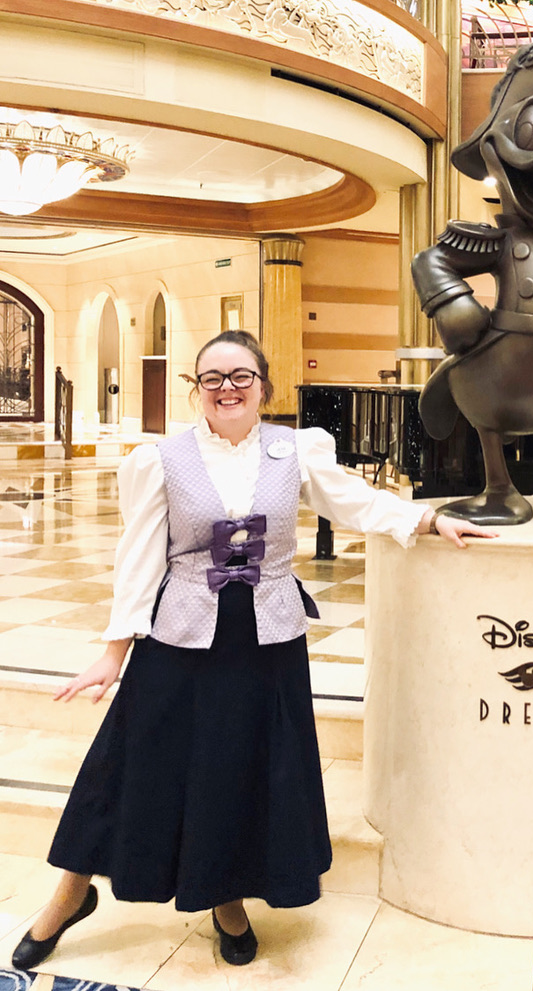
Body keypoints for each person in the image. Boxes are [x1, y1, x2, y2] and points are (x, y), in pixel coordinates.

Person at [12, 330, 496, 970]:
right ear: (197, 390)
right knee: (126, 759)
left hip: (268, 637)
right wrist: (114, 649)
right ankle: (68, 898)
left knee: (238, 765)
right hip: (180, 632)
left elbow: (354, 501)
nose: (227, 389)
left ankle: (226, 901)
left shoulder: (294, 449)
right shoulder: (163, 458)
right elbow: (137, 557)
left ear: (264, 386)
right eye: (211, 378)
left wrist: (427, 520)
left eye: (241, 376)